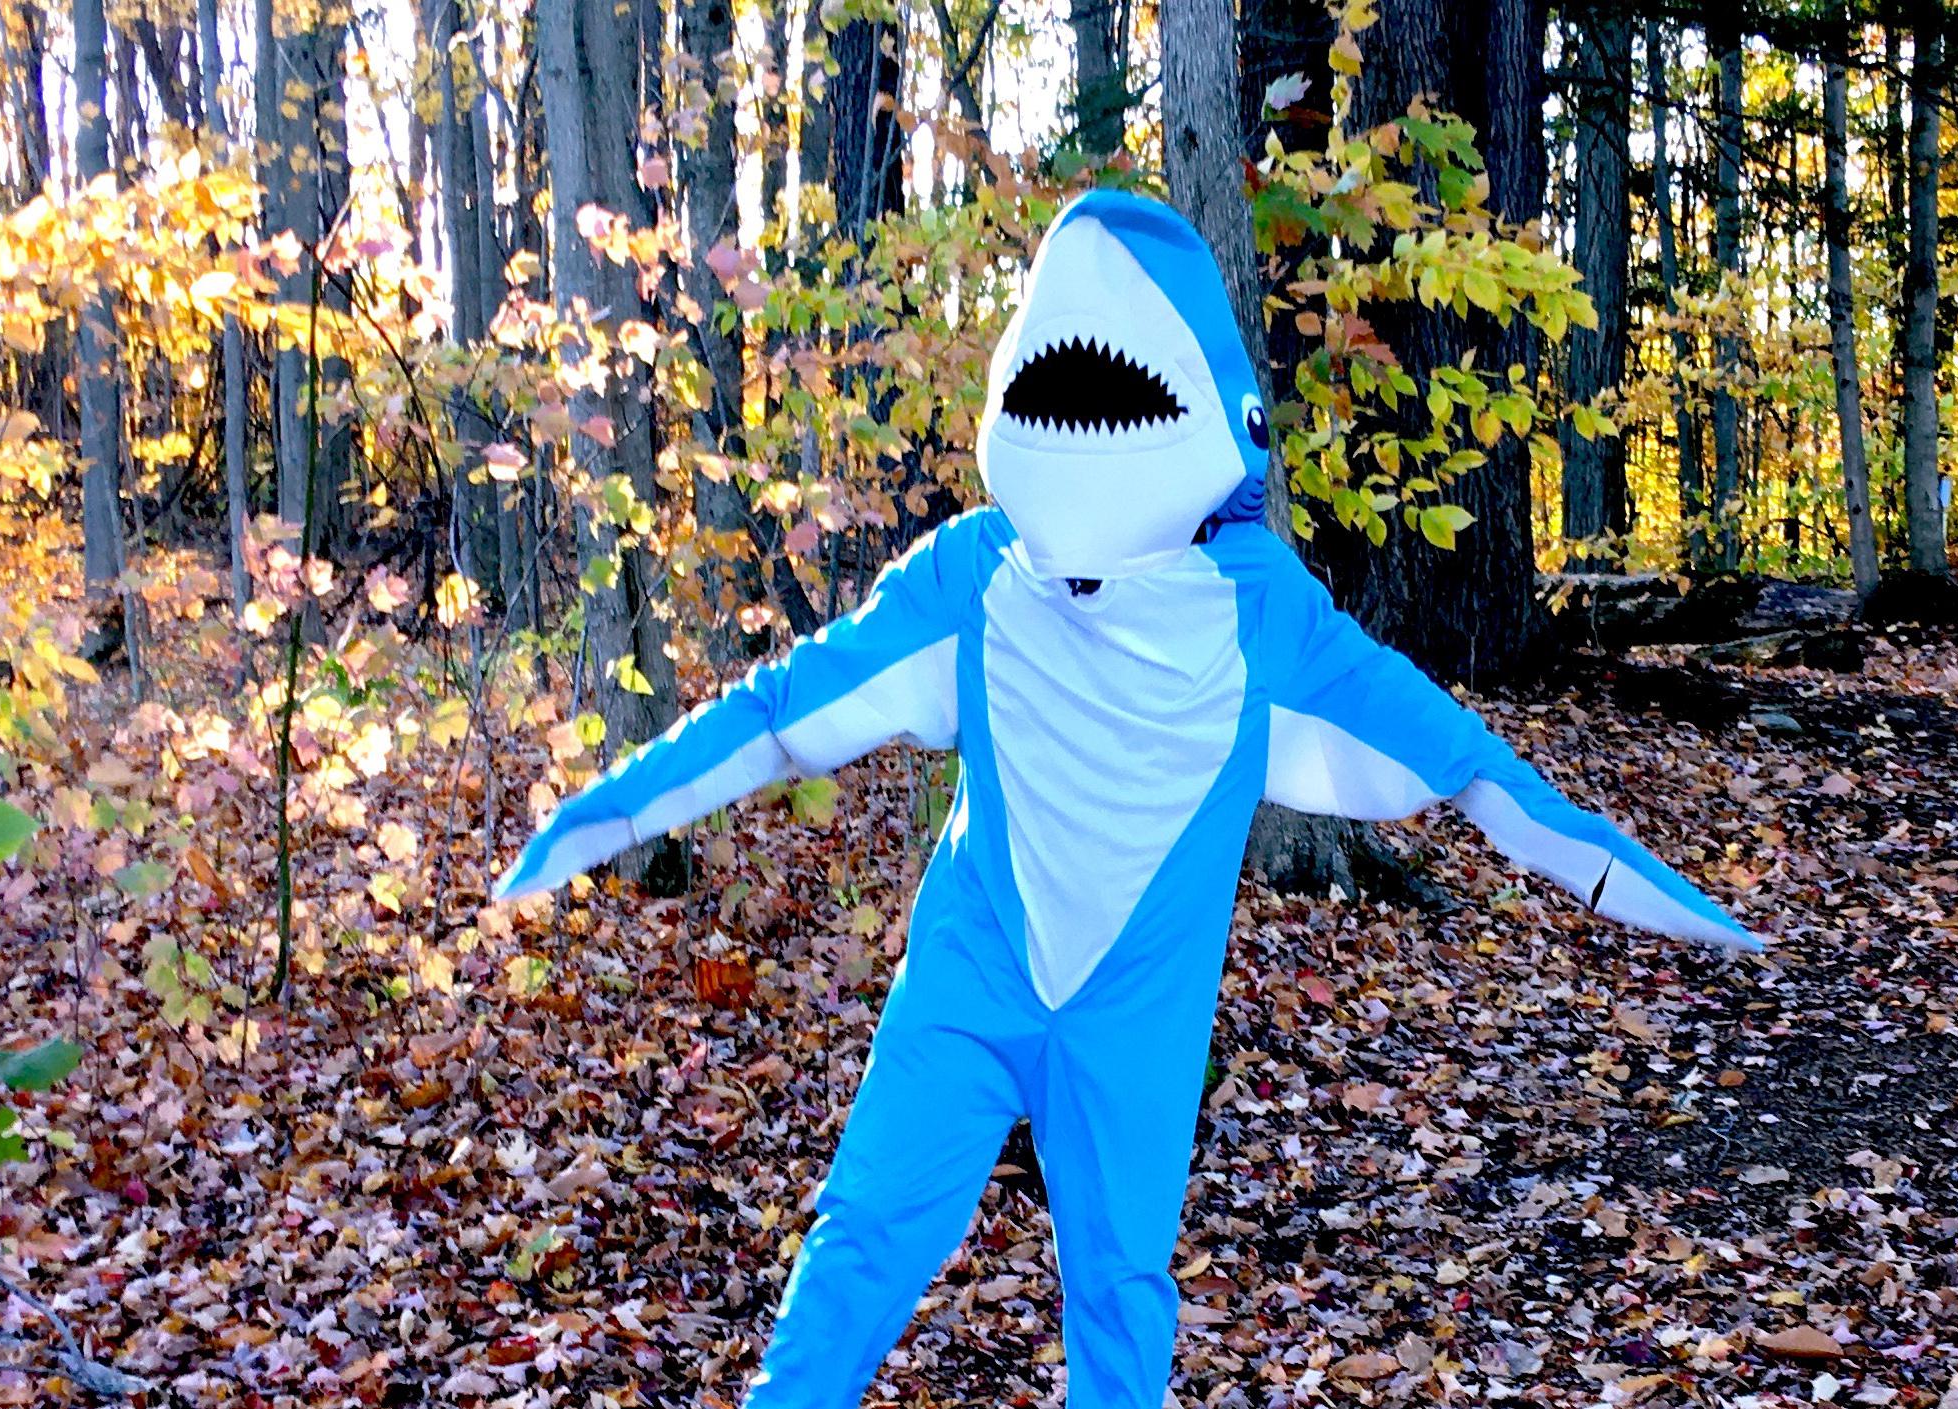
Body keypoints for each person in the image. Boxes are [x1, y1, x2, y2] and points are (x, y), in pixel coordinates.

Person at [492, 190, 1756, 1409]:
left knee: (1117, 1287)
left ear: (1236, 428)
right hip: (972, 971)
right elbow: (774, 718)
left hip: (1136, 1021)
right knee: (865, 1230)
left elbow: (1477, 770)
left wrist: (1667, 899)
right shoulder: (970, 579)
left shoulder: (1265, 611)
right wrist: (600, 816)